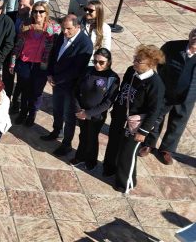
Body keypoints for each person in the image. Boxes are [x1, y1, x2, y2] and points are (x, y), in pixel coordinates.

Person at [103, 45, 165, 193]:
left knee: (127, 154)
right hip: (120, 118)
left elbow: (155, 111)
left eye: (139, 61)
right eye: (135, 59)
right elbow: (123, 90)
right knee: (113, 144)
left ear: (151, 64)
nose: (134, 63)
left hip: (136, 125)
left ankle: (125, 183)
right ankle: (109, 169)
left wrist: (143, 131)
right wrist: (116, 111)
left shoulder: (156, 84)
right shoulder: (131, 71)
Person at [140, 28, 196, 165]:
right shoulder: (172, 46)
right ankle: (148, 143)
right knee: (156, 117)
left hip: (188, 96)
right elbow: (160, 63)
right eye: (195, 33)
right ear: (190, 34)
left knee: (178, 122)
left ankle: (167, 150)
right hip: (165, 91)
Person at [41, 14, 94, 157]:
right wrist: (50, 73)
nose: (65, 32)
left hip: (71, 87)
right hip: (57, 82)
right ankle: (56, 131)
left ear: (77, 27)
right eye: (63, 28)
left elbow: (76, 69)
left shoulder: (85, 44)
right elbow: (54, 55)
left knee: (69, 116)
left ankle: (66, 144)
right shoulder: (62, 36)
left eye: (69, 29)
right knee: (57, 109)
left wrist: (57, 79)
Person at [9, 1, 61, 126]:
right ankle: (23, 113)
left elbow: (55, 44)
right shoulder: (25, 25)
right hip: (25, 63)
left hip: (41, 65)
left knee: (36, 92)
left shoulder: (54, 28)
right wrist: (12, 63)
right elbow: (18, 46)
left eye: (41, 11)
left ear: (46, 13)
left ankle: (32, 114)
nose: (38, 14)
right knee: (24, 90)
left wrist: (42, 28)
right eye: (35, 11)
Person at [71, 48, 120, 170]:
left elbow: (108, 102)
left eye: (101, 62)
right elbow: (76, 90)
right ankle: (80, 156)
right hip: (81, 112)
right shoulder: (88, 71)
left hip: (96, 115)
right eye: (95, 61)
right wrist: (78, 109)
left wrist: (88, 113)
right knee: (83, 135)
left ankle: (91, 161)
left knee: (92, 137)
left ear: (109, 62)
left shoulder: (113, 78)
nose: (97, 65)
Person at [4, 0, 34, 108]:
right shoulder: (9, 16)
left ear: (31, 7)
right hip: (9, 54)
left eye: (24, 6)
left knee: (21, 83)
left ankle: (16, 104)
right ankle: (6, 103)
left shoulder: (33, 21)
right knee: (7, 81)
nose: (21, 7)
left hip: (23, 57)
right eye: (20, 4)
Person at [81, 0, 112, 64]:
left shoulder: (105, 28)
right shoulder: (79, 22)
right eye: (86, 9)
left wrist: (96, 61)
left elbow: (106, 48)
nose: (87, 12)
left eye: (90, 10)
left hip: (92, 60)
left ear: (98, 12)